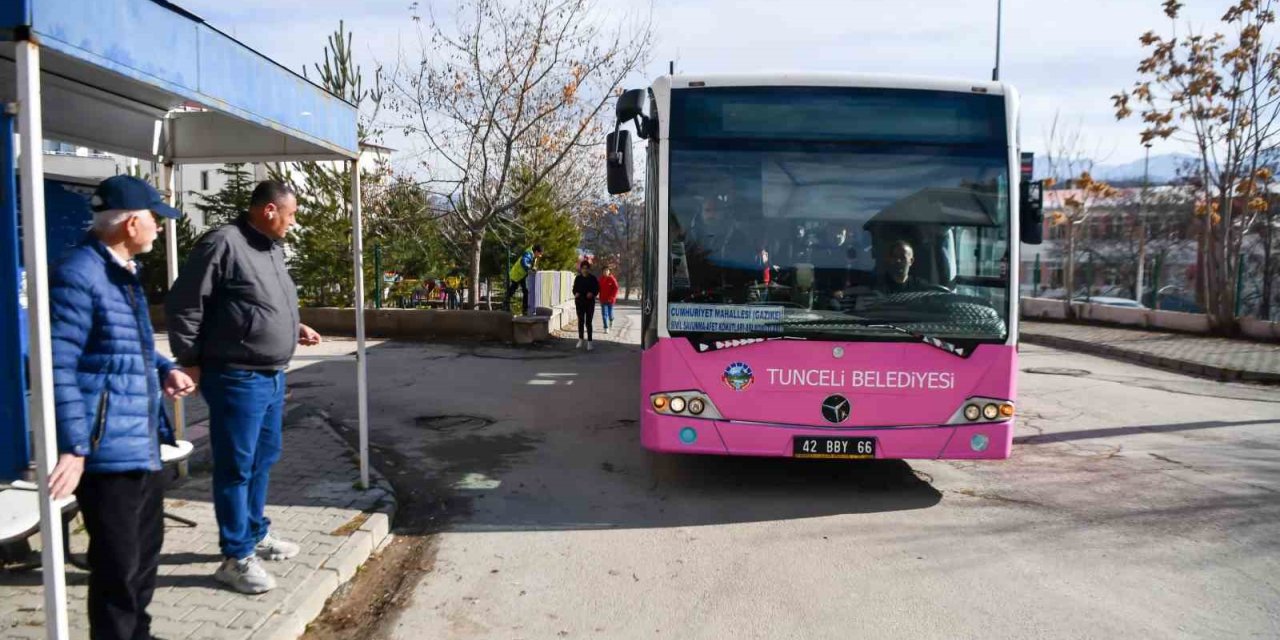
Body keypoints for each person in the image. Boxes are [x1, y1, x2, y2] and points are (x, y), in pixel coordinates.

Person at [46, 175, 197, 640]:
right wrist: (73, 445)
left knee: (144, 557)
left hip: (140, 442)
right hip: (106, 448)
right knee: (117, 570)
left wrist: (165, 366)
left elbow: (123, 343)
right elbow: (58, 364)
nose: (159, 228)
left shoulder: (118, 270)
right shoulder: (79, 273)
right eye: (155, 219)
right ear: (132, 224)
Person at [166, 181, 323, 595]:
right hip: (236, 376)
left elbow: (262, 302)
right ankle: (235, 556)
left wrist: (295, 326)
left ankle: (255, 533)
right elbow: (185, 305)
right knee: (236, 466)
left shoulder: (271, 248)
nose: (294, 222)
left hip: (271, 375)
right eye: (290, 215)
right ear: (270, 210)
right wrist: (191, 361)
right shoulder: (223, 244)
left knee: (263, 458)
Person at [505, 244, 543, 315]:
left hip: (522, 275)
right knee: (513, 289)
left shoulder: (533, 256)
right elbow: (523, 262)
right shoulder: (528, 254)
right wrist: (530, 268)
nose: (539, 256)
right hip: (517, 274)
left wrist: (534, 269)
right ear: (536, 251)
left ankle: (524, 309)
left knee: (525, 291)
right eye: (539, 254)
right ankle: (505, 305)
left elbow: (533, 266)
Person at [572, 259, 600, 351]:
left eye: (586, 268)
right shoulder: (578, 278)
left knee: (588, 322)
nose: (585, 270)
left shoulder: (593, 279)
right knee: (580, 321)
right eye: (583, 268)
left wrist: (592, 293)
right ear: (581, 269)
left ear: (589, 269)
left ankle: (590, 342)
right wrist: (575, 293)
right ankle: (580, 339)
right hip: (579, 302)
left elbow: (597, 289)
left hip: (589, 302)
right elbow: (574, 289)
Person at [598, 265, 619, 331]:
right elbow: (597, 288)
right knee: (604, 314)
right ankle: (606, 327)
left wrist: (612, 297)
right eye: (604, 271)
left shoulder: (612, 279)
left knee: (610, 314)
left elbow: (616, 288)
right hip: (603, 300)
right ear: (602, 272)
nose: (605, 272)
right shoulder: (600, 279)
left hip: (610, 300)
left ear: (609, 271)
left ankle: (611, 319)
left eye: (607, 270)